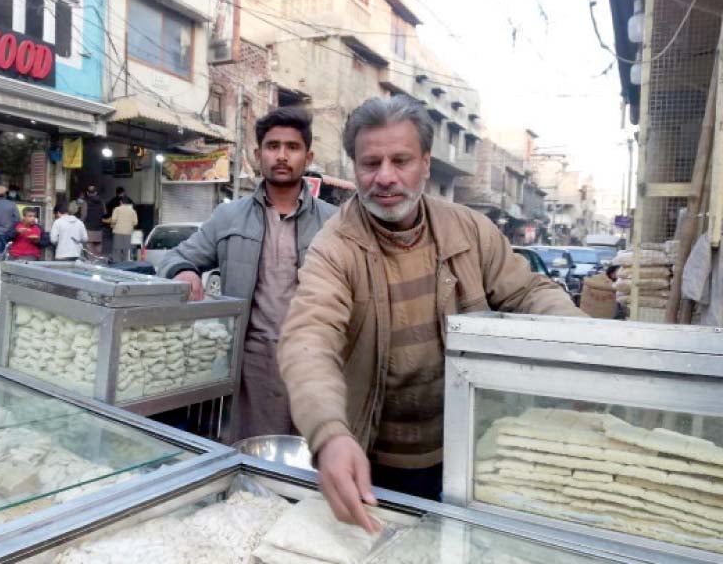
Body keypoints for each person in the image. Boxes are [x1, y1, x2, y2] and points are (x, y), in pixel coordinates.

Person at [277, 96, 583, 532]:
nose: (385, 177)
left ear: (425, 163)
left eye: (400, 160)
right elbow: (309, 338)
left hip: (474, 453)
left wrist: (588, 351)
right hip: (374, 464)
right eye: (370, 163)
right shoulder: (335, 246)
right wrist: (330, 435)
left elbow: (529, 292)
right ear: (353, 168)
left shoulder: (469, 230)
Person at [158, 106, 337, 439]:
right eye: (272, 146)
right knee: (250, 451)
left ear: (307, 156)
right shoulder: (228, 217)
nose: (282, 156)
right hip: (248, 363)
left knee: (309, 456)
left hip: (314, 362)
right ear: (257, 155)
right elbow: (176, 257)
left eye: (292, 147)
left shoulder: (334, 222)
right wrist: (184, 272)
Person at [107, 198, 138, 263]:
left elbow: (113, 220)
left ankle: (117, 266)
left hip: (118, 233)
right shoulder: (132, 211)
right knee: (127, 251)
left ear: (121, 202)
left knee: (117, 251)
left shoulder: (117, 209)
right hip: (128, 234)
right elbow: (135, 222)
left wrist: (112, 227)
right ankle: (126, 267)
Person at [83, 186, 106, 256]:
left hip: (89, 229)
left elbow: (84, 215)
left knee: (89, 250)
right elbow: (104, 213)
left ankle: (91, 264)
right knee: (98, 249)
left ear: (87, 193)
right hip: (99, 228)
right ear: (96, 192)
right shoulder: (102, 202)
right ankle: (97, 263)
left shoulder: (85, 202)